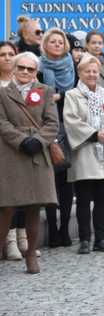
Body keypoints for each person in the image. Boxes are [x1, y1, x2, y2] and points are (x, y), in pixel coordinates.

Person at [0, 52, 59, 274]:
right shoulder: (3, 93)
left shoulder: (45, 91)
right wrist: (21, 140)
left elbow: (53, 123)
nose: (25, 72)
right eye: (21, 67)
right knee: (6, 207)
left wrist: (39, 140)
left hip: (37, 154)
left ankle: (31, 256)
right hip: (10, 153)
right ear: (14, 68)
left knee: (34, 207)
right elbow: (1, 122)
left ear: (36, 72)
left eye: (30, 69)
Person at [63, 54, 104, 255]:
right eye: (87, 71)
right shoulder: (72, 95)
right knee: (83, 199)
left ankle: (100, 238)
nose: (91, 74)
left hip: (103, 154)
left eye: (94, 71)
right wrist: (94, 134)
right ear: (79, 73)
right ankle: (84, 239)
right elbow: (71, 121)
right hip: (84, 153)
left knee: (101, 199)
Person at [39, 28, 76, 248]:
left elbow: (75, 93)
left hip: (68, 125)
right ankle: (52, 228)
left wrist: (60, 95)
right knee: (50, 179)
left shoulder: (72, 67)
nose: (56, 45)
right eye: (52, 41)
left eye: (60, 42)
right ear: (45, 44)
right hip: (46, 127)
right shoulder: (39, 67)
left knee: (66, 180)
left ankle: (64, 229)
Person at [0, 42, 33, 262]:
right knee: (7, 197)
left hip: (24, 144)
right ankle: (8, 242)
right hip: (3, 144)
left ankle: (24, 240)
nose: (7, 58)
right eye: (2, 54)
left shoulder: (23, 82)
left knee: (25, 193)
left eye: (11, 54)